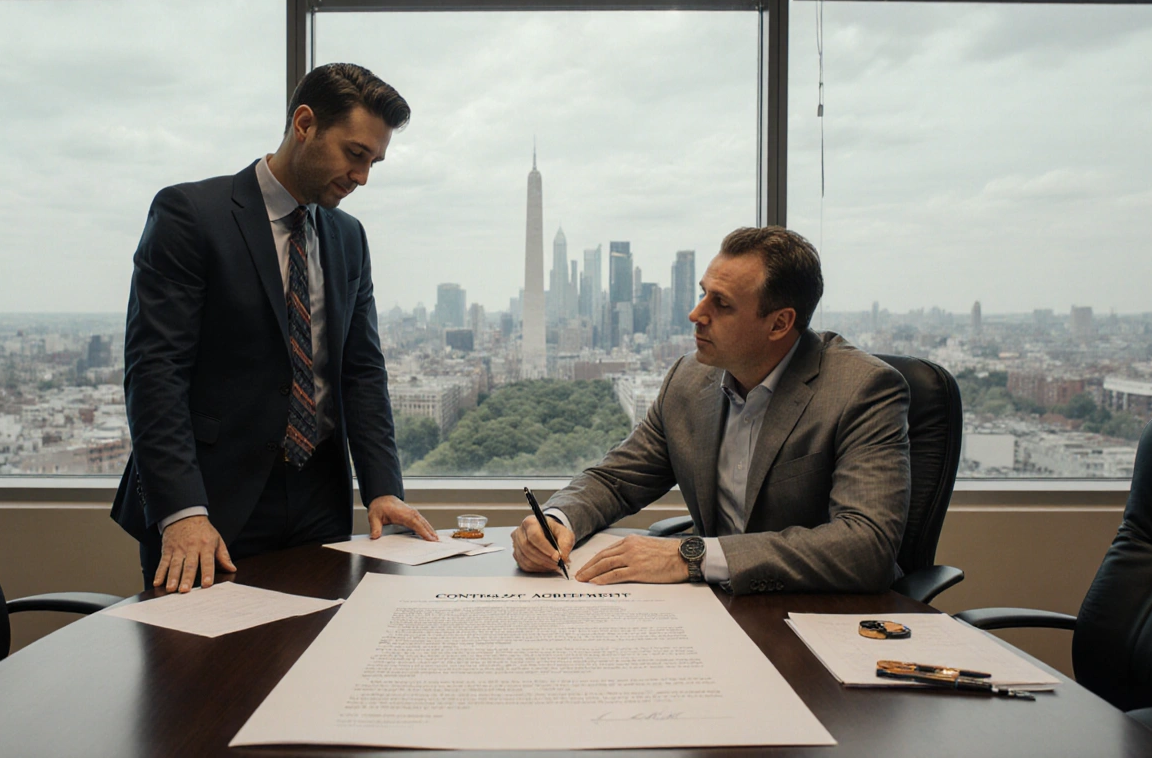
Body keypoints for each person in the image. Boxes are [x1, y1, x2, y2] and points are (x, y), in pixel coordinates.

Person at [112, 63, 436, 594]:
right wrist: (182, 511)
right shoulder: (190, 215)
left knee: (320, 660)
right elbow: (155, 373)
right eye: (355, 154)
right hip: (211, 503)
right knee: (202, 672)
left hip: (319, 501)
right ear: (304, 124)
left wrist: (381, 487)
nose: (363, 177)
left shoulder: (348, 238)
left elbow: (361, 371)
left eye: (374, 162)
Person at [512, 226, 910, 595]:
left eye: (721, 304)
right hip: (713, 609)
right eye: (703, 293)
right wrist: (558, 519)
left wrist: (693, 555)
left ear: (779, 324)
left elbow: (866, 545)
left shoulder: (862, 389)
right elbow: (617, 479)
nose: (696, 315)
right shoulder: (689, 378)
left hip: (820, 615)